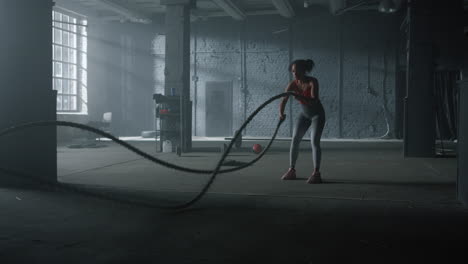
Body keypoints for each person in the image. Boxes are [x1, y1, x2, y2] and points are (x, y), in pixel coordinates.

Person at [279, 59, 326, 184]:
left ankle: (316, 173)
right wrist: (281, 114)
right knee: (295, 139)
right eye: (293, 71)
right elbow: (283, 100)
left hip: (317, 115)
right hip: (304, 115)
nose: (295, 74)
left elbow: (313, 100)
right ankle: (292, 170)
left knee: (314, 141)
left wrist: (299, 96)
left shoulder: (312, 82)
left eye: (297, 71)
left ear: (304, 71)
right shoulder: (292, 84)